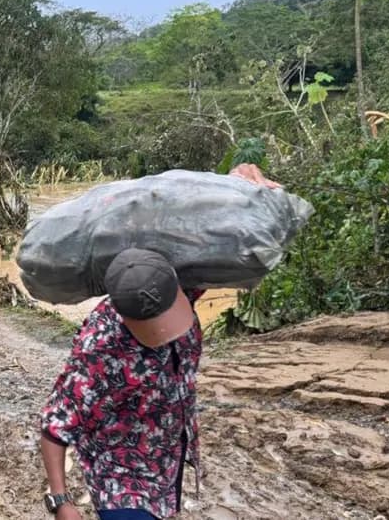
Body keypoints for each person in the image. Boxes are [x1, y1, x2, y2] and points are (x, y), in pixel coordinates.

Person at [38, 164, 279, 520]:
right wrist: (61, 501)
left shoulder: (172, 285)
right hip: (121, 478)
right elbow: (56, 423)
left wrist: (237, 189)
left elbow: (213, 239)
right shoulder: (100, 346)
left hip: (167, 463)